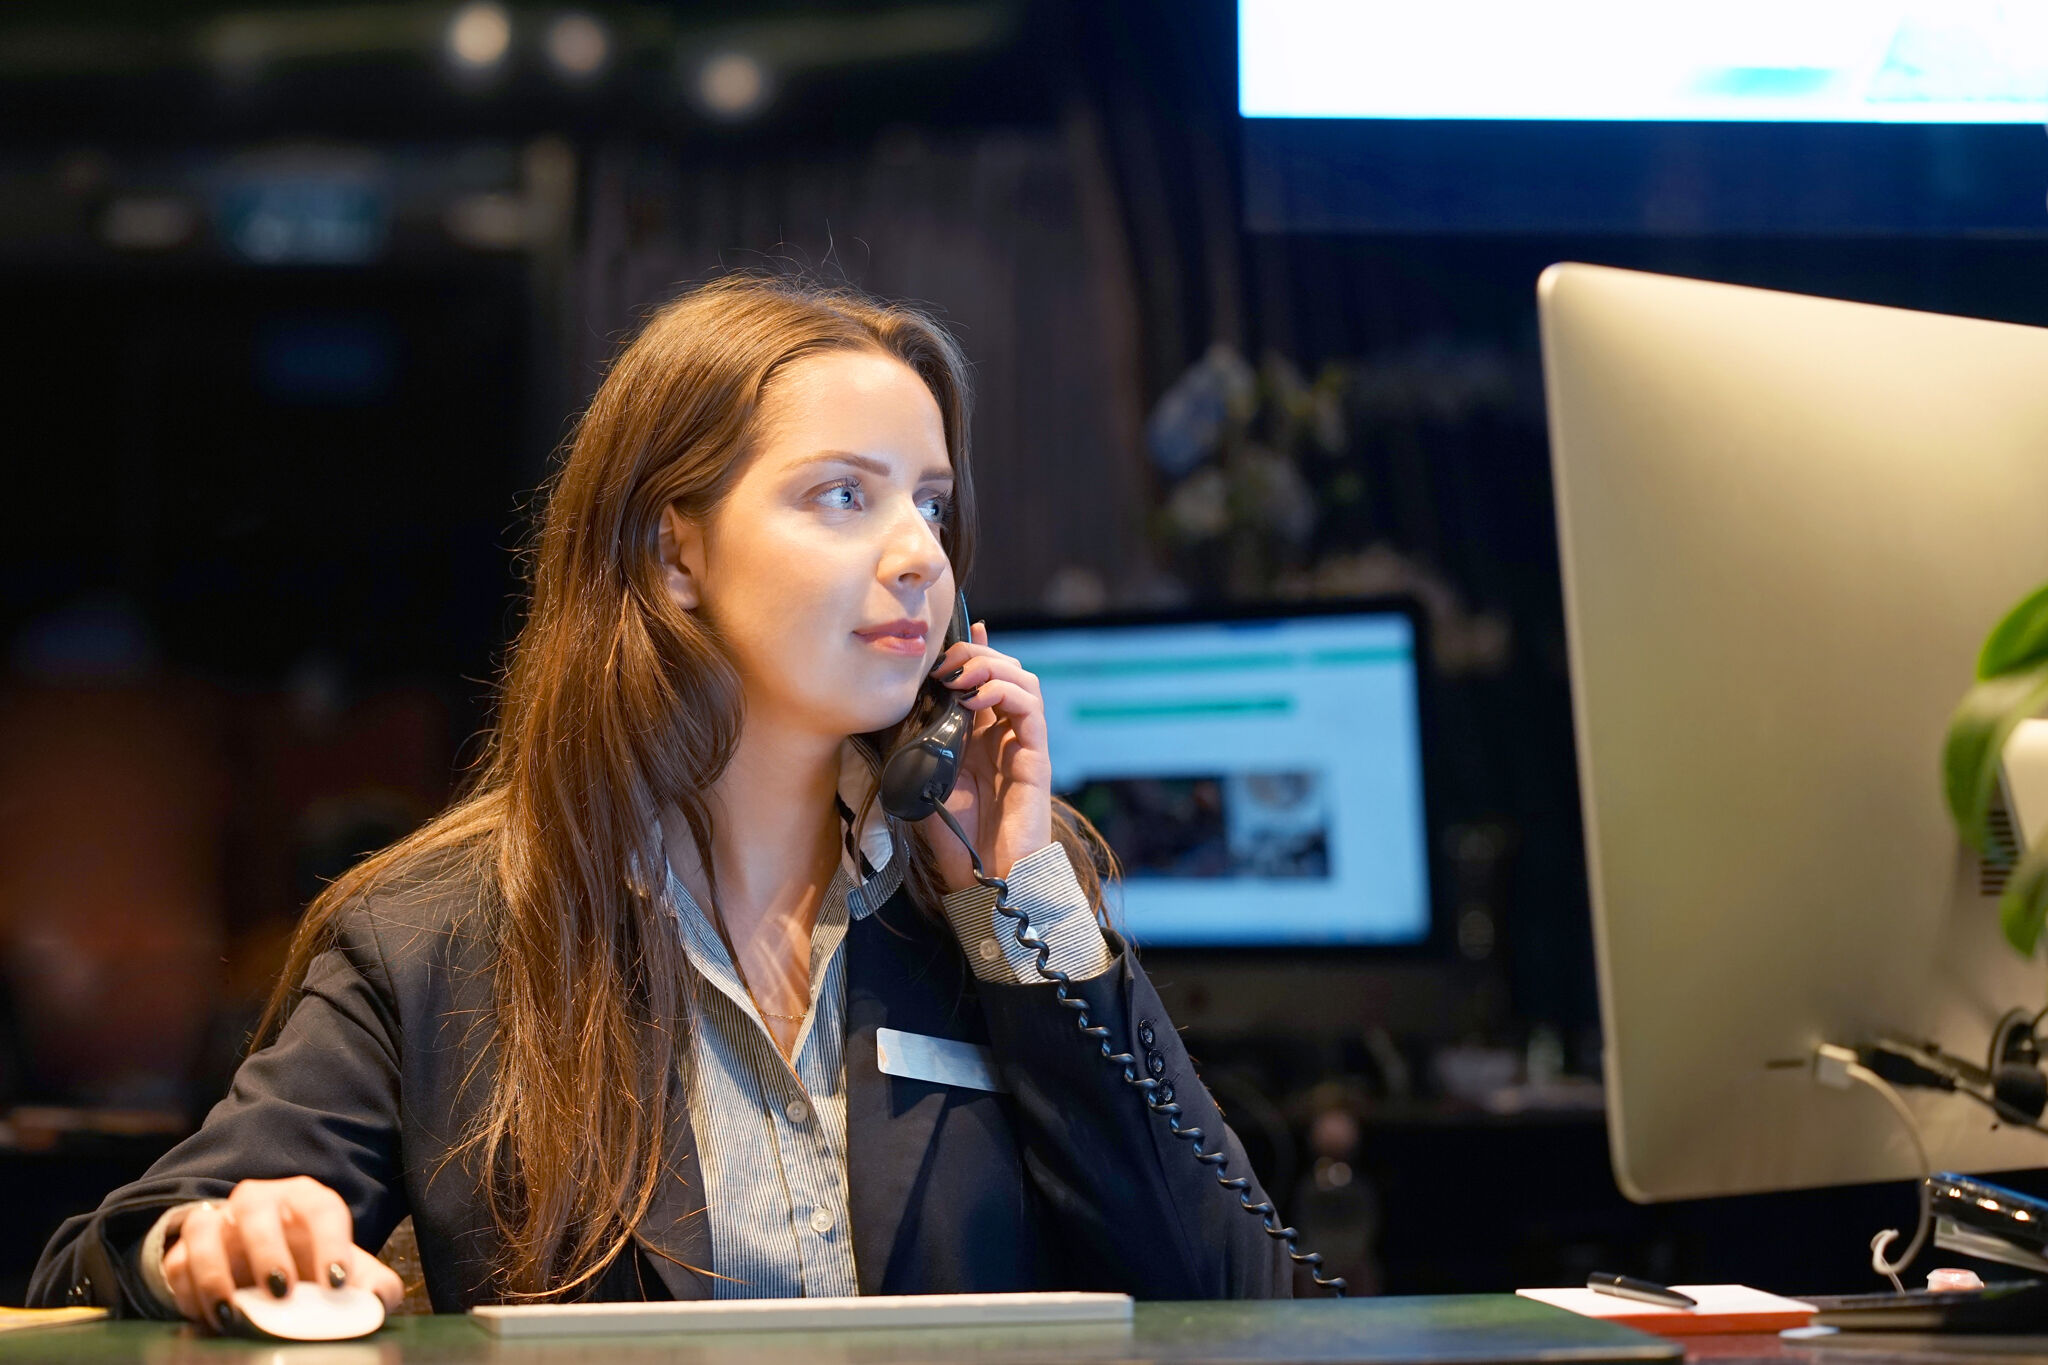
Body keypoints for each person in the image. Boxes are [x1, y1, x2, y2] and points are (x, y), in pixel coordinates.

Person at [30, 275, 1301, 1325]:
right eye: (842, 497)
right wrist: (217, 1240)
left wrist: (1016, 905)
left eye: (932, 504)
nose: (918, 554)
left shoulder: (994, 890)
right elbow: (115, 1246)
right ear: (671, 551)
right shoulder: (437, 930)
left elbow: (1239, 1299)